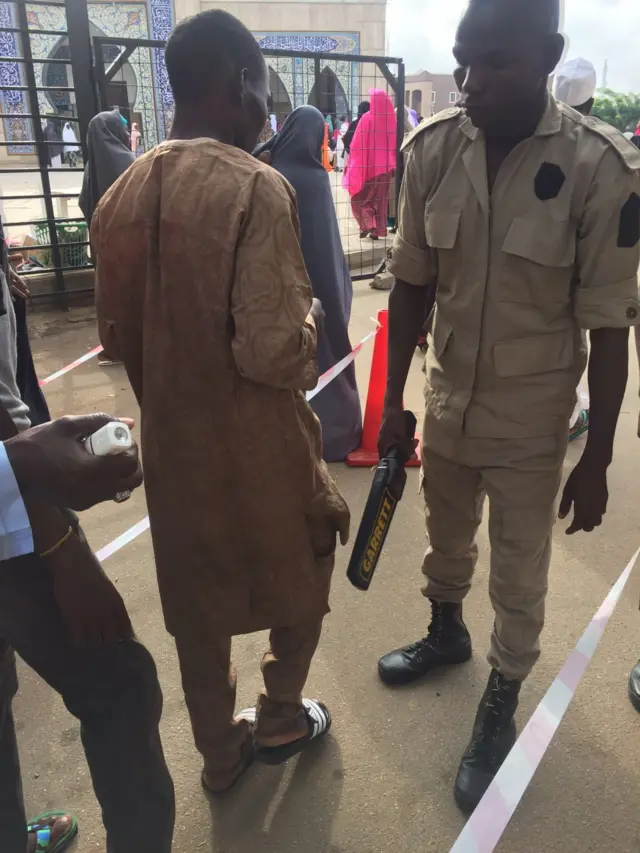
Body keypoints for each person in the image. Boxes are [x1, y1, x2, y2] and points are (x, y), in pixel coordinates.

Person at [378, 0, 640, 813]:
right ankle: (446, 630)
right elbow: (414, 280)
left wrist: (596, 457)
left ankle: (503, 692)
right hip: (449, 397)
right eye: (463, 60)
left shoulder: (600, 167)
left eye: (496, 63)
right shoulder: (433, 150)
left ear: (549, 57)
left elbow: (608, 322)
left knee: (520, 568)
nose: (471, 81)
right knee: (444, 533)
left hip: (534, 421)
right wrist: (392, 401)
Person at [93, 9, 350, 794]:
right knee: (305, 564)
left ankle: (219, 752)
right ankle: (279, 715)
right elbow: (273, 350)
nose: (267, 111)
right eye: (263, 91)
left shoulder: (119, 197)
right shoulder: (256, 186)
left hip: (172, 444)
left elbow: (115, 333)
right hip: (263, 446)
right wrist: (310, 319)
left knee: (196, 606)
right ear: (240, 83)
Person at [255, 106, 362, 461]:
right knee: (328, 348)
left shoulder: (268, 173)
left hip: (284, 286)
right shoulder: (314, 178)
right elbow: (328, 245)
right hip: (322, 286)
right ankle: (336, 434)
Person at [553, 56, 600, 442]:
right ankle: (568, 419)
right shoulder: (601, 154)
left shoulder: (525, 138)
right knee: (569, 353)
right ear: (593, 103)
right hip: (577, 279)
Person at [79, 110, 135, 367]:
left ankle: (114, 347)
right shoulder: (129, 164)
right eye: (122, 128)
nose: (126, 134)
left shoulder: (93, 167)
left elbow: (84, 203)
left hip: (103, 246)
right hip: (130, 246)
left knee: (109, 297)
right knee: (132, 296)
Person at [344, 88, 396, 240]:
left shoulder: (367, 118)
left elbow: (356, 145)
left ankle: (367, 224)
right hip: (387, 169)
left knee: (360, 198)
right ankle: (377, 231)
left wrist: (354, 164)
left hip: (369, 168)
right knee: (380, 201)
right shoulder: (391, 119)